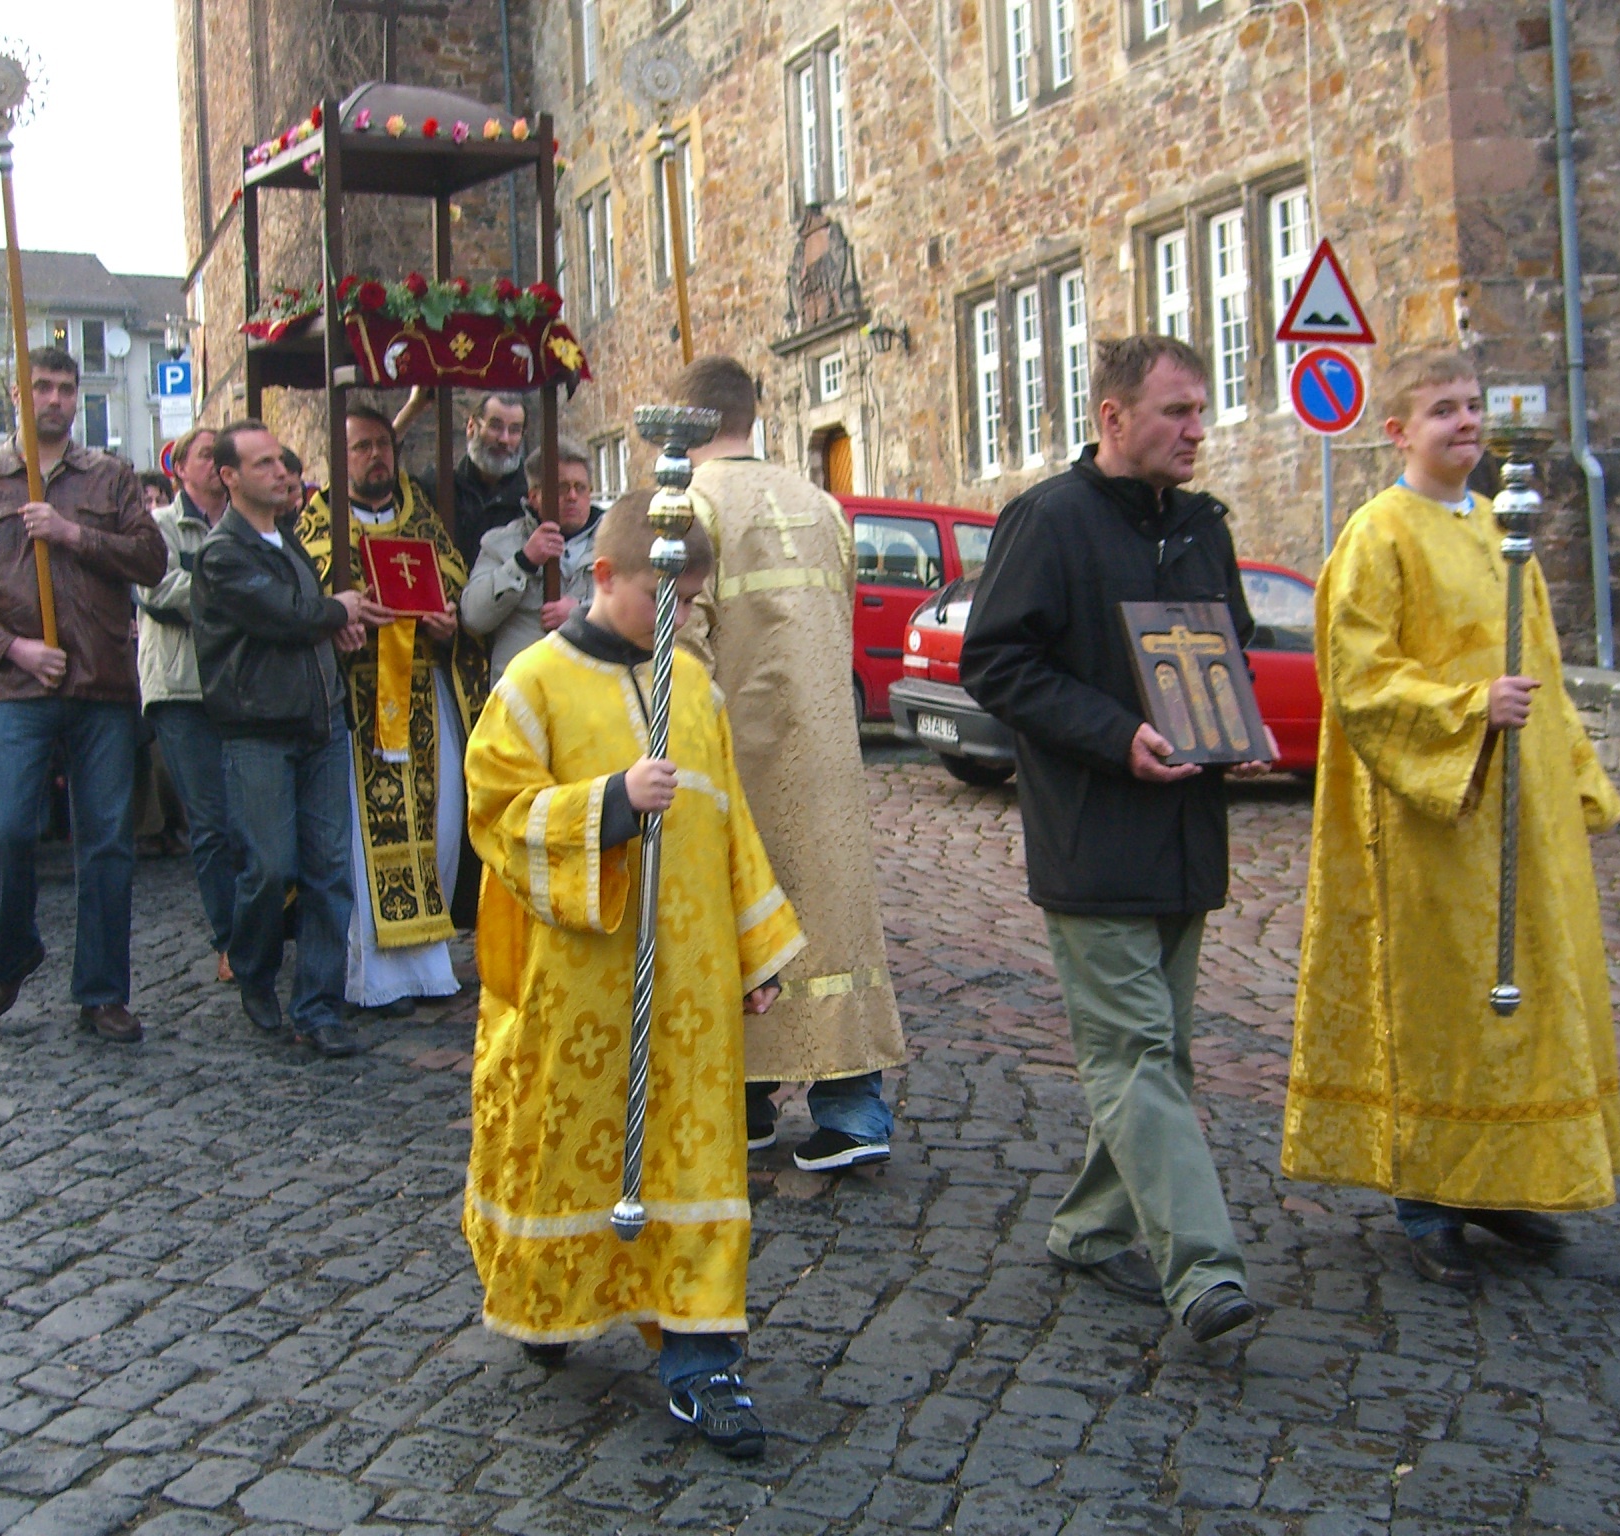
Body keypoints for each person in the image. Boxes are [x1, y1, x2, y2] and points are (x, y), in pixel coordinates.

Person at [462, 490, 803, 1459]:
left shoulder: (691, 685)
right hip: (575, 989)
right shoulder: (533, 683)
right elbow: (495, 810)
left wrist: (753, 953)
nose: (678, 619)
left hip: (689, 988)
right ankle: (555, 1301)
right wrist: (609, 802)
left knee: (693, 1159)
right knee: (568, 1150)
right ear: (601, 575)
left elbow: (729, 820)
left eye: (690, 603)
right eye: (665, 598)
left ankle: (703, 1360)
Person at [1281, 348, 1620, 1291]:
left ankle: (1496, 1177)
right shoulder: (1377, 534)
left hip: (1518, 817)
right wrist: (1469, 709)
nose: (1466, 422)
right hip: (1429, 821)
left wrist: (1574, 779)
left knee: (1513, 1003)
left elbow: (1545, 671)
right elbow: (1359, 678)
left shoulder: (1504, 532)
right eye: (1443, 409)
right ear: (1399, 431)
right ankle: (1427, 1194)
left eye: (1473, 405)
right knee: (1434, 1002)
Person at [961, 334, 1268, 1345]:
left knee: (1158, 1052)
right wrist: (1113, 734)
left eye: (1201, 410)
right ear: (1113, 417)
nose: (1196, 429)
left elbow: (1227, 648)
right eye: (1177, 411)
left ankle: (1091, 1228)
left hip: (1185, 835)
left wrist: (1237, 726)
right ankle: (1203, 1270)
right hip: (1092, 833)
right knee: (1134, 1051)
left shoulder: (1203, 527)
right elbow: (995, 662)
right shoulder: (1047, 520)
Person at [673, 356, 907, 1173]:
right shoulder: (822, 504)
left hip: (738, 757)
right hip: (829, 753)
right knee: (835, 918)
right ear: (751, 416)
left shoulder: (688, 506)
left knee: (739, 919)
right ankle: (853, 1107)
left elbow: (683, 653)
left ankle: (743, 1101)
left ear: (685, 423)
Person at [0, 345, 167, 1042]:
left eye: (66, 387)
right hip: (14, 686)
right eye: (41, 386)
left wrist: (72, 533)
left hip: (101, 682)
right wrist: (13, 649)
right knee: (3, 829)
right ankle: (13, 951)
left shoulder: (111, 477)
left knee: (107, 844)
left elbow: (151, 561)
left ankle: (102, 992)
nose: (55, 398)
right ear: (17, 394)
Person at [193, 421, 397, 1057]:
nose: (281, 472)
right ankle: (252, 965)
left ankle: (317, 1007)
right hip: (258, 729)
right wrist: (340, 611)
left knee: (329, 870)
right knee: (269, 867)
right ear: (229, 477)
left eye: (281, 461)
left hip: (321, 722)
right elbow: (283, 615)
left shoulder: (286, 539)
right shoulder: (222, 553)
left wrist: (335, 627)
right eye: (263, 464)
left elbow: (305, 618)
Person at [295, 405, 486, 1014]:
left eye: (383, 444)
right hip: (357, 701)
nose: (376, 456)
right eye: (361, 447)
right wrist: (343, 614)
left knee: (437, 826)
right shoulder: (318, 524)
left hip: (425, 692)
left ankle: (428, 967)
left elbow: (455, 587)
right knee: (364, 836)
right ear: (338, 457)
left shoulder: (421, 516)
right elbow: (307, 600)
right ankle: (373, 976)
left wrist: (450, 621)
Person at [135, 425, 240, 982]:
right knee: (211, 821)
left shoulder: (243, 522)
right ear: (179, 468)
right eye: (204, 455)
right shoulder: (158, 526)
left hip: (239, 687)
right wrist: (235, 590)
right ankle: (229, 940)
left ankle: (255, 928)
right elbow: (158, 589)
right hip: (180, 689)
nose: (214, 462)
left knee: (248, 818)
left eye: (221, 454)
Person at [459, 438, 600, 680]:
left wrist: (584, 615)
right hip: (523, 689)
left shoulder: (615, 545)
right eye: (561, 488)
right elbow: (473, 618)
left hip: (592, 687)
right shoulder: (501, 543)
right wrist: (523, 562)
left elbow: (640, 614)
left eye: (581, 487)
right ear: (534, 496)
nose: (572, 496)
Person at [403, 389, 531, 563]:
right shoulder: (438, 488)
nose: (504, 439)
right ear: (471, 427)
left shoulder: (531, 500)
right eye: (495, 426)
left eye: (514, 430)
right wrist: (412, 409)